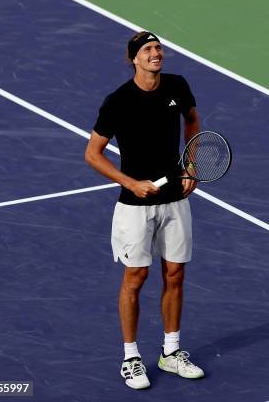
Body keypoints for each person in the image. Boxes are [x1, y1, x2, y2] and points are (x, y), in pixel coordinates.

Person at [85, 31, 204, 389]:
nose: (156, 54)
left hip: (174, 201)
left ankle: (171, 352)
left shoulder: (177, 86)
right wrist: (129, 182)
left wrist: (191, 165)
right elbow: (93, 153)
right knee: (135, 279)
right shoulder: (117, 101)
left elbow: (193, 122)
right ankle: (131, 357)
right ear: (134, 58)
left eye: (158, 48)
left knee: (175, 275)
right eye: (148, 50)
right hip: (135, 206)